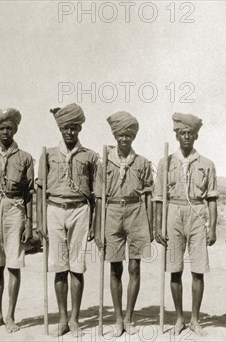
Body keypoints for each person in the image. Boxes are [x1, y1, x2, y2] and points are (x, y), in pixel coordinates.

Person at [153, 112, 218, 336]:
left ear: (196, 135)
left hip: (198, 214)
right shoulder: (166, 162)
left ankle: (195, 319)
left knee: (198, 269)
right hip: (173, 212)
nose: (187, 137)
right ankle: (179, 317)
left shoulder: (207, 164)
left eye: (190, 133)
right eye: (182, 133)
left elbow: (211, 198)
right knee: (174, 269)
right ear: (177, 136)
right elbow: (159, 198)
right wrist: (158, 225)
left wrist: (213, 226)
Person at [38, 103, 99, 337]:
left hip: (80, 211)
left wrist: (94, 223)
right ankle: (62, 319)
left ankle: (75, 319)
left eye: (74, 128)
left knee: (77, 267)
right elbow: (40, 191)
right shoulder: (48, 154)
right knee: (59, 267)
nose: (70, 132)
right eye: (66, 128)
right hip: (54, 210)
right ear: (60, 129)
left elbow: (96, 194)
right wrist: (40, 222)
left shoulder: (90, 156)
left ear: (80, 129)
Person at [94, 111, 154, 336]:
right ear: (115, 135)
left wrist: (150, 225)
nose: (124, 139)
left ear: (133, 137)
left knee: (135, 266)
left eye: (128, 135)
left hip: (136, 211)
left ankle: (129, 317)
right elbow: (99, 197)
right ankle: (118, 319)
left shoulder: (143, 163)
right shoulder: (104, 163)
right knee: (115, 267)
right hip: (111, 211)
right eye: (120, 134)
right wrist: (97, 228)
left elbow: (148, 195)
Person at [0, 108, 34, 334]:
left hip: (15, 209)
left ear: (15, 129)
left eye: (9, 128)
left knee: (13, 264)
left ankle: (11, 316)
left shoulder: (25, 158)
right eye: (1, 128)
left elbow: (29, 193)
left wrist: (30, 223)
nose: (5, 132)